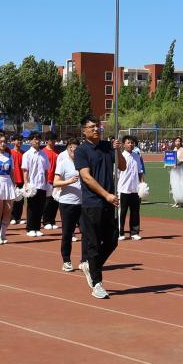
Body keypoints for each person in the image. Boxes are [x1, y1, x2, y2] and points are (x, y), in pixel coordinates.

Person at [73, 115, 121, 299]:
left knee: (112, 240)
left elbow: (122, 166)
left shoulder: (108, 147)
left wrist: (117, 151)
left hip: (109, 203)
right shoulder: (81, 151)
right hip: (93, 203)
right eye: (92, 127)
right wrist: (106, 194)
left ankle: (91, 266)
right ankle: (97, 283)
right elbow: (86, 177)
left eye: (98, 126)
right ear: (84, 130)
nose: (96, 129)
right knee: (93, 243)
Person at [53, 138, 84, 272]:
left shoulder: (83, 163)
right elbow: (55, 183)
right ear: (68, 149)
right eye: (71, 147)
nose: (73, 150)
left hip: (82, 203)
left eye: (76, 147)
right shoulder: (63, 163)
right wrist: (69, 181)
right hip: (67, 203)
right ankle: (66, 261)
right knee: (67, 233)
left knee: (86, 233)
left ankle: (85, 260)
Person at [21, 132, 51, 237]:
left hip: (42, 185)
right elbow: (25, 171)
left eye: (38, 139)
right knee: (32, 207)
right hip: (32, 185)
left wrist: (46, 183)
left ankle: (37, 228)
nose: (37, 141)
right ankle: (30, 228)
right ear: (30, 141)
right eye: (34, 139)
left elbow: (46, 170)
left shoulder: (44, 154)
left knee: (40, 207)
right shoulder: (27, 155)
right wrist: (26, 184)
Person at [117, 135, 144, 241]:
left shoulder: (137, 156)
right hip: (123, 188)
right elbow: (116, 174)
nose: (130, 144)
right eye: (128, 142)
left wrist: (142, 185)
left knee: (135, 211)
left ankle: (134, 232)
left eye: (132, 143)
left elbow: (140, 171)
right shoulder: (120, 156)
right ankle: (120, 232)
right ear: (123, 144)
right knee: (122, 212)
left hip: (135, 189)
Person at [41, 134, 61, 229]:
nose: (53, 141)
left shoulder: (57, 152)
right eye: (51, 139)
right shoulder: (43, 152)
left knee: (55, 201)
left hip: (56, 180)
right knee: (47, 202)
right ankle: (46, 221)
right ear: (47, 141)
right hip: (47, 180)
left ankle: (52, 221)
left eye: (54, 139)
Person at [169, 136, 183, 207]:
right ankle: (177, 200)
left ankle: (181, 201)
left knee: (181, 184)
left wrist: (177, 165)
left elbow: (182, 160)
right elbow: (171, 159)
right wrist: (167, 164)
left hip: (181, 169)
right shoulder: (174, 149)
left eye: (179, 141)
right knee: (174, 184)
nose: (177, 142)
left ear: (181, 142)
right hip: (174, 169)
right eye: (176, 141)